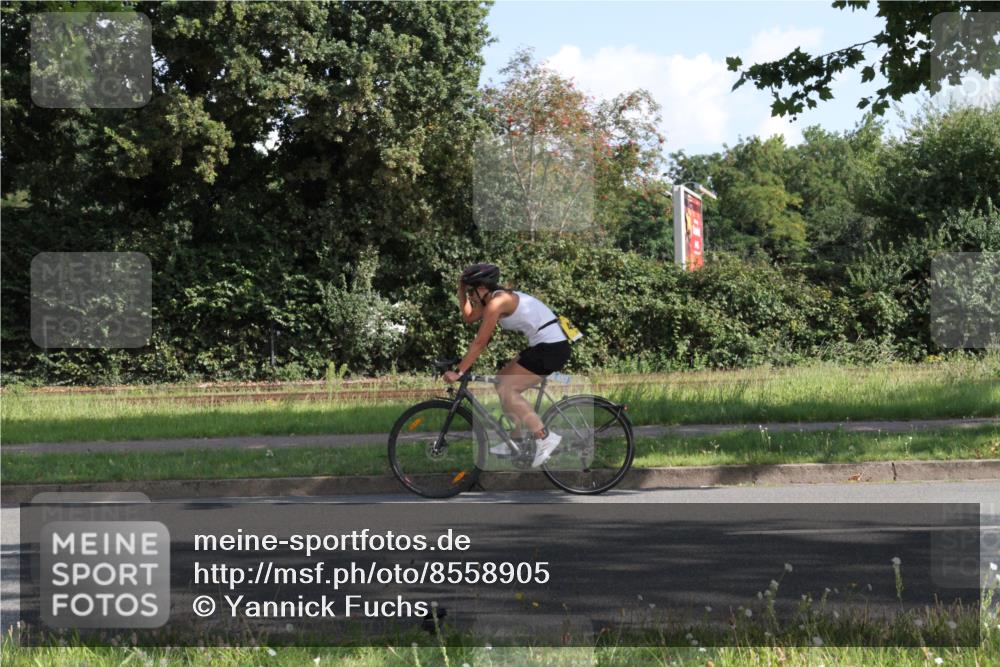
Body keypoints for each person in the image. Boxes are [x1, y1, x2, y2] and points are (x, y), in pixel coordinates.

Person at [443, 263, 571, 467]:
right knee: (501, 381)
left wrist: (459, 371)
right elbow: (469, 317)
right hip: (542, 345)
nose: (471, 297)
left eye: (471, 292)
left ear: (482, 288)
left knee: (507, 389)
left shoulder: (498, 302)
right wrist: (461, 291)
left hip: (551, 348)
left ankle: (544, 437)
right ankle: (516, 440)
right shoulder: (491, 300)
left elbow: (480, 342)